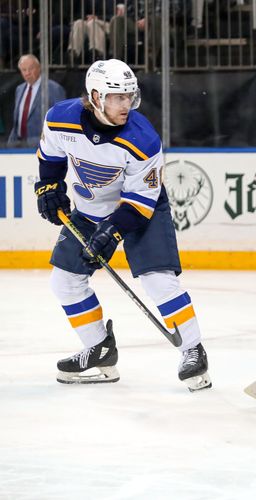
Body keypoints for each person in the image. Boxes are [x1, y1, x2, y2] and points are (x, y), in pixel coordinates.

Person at [33, 59, 211, 391]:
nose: (125, 104)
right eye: (117, 97)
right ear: (96, 96)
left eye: (129, 96)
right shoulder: (60, 118)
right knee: (65, 281)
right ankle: (99, 349)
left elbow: (141, 198)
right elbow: (51, 158)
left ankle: (193, 350)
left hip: (140, 208)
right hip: (89, 209)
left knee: (158, 278)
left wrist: (112, 232)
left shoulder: (142, 138)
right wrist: (48, 187)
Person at [8, 55, 67, 148]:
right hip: (18, 145)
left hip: (41, 147)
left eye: (31, 69)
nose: (27, 73)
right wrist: (10, 142)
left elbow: (61, 122)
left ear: (39, 68)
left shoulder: (53, 89)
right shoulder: (19, 89)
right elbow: (17, 121)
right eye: (24, 70)